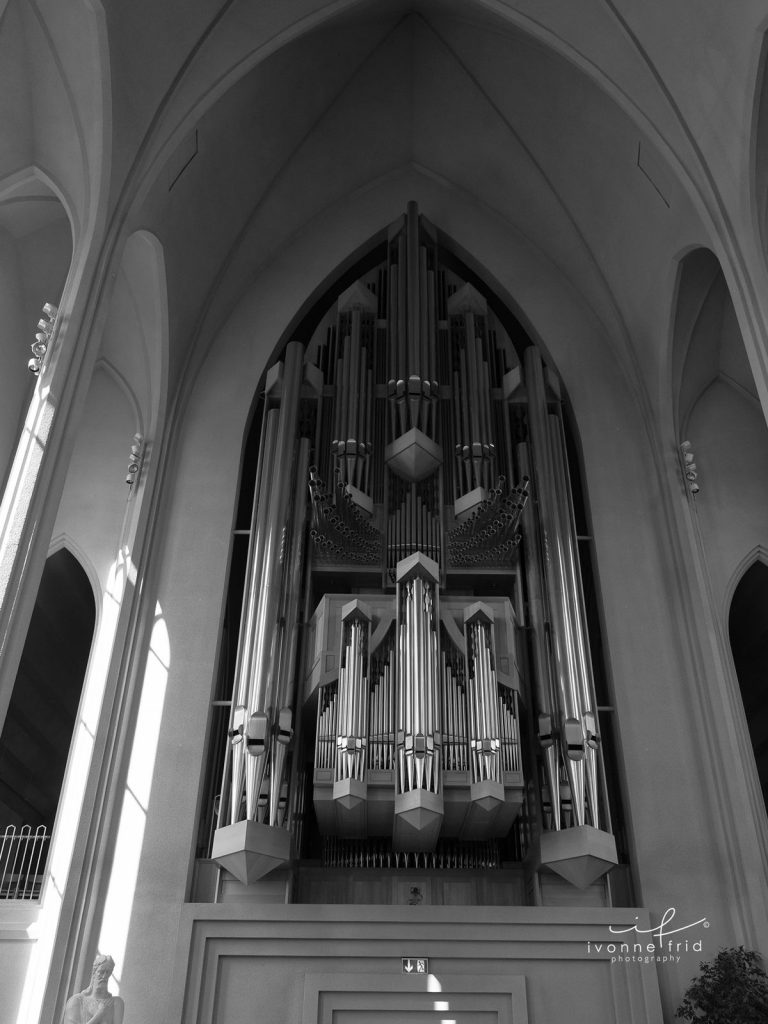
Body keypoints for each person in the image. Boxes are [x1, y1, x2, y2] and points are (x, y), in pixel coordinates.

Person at [62, 954, 124, 1024]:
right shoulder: (76, 1001)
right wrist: (99, 1014)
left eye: (108, 973)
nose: (104, 976)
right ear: (94, 972)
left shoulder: (116, 1003)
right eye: (101, 972)